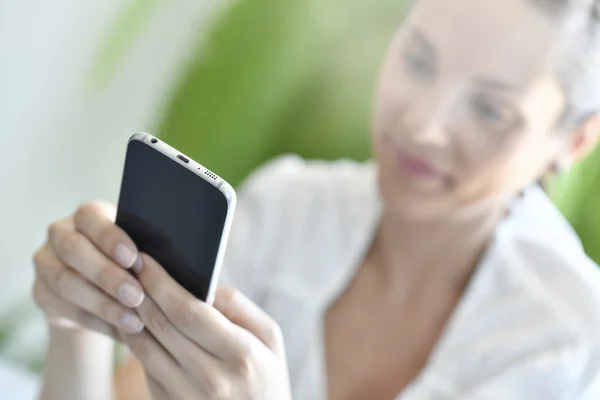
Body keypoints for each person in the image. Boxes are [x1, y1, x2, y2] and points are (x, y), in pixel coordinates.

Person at [32, 0, 600, 398]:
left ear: (573, 140)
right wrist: (79, 324)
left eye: (490, 110)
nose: (424, 124)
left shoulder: (566, 342)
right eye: (419, 61)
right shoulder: (288, 208)